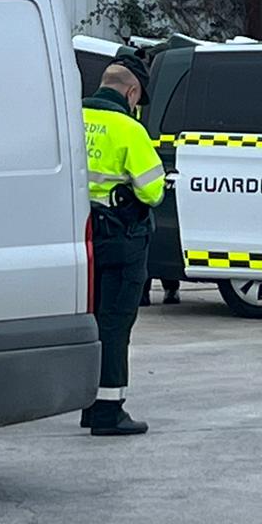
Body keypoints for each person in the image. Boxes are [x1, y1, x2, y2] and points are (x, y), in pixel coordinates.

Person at [80, 56, 165, 436]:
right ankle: (107, 411)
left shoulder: (72, 119)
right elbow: (153, 191)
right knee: (114, 323)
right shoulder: (129, 128)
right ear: (132, 92)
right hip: (120, 239)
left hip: (78, 238)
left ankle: (87, 404)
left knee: (89, 322)